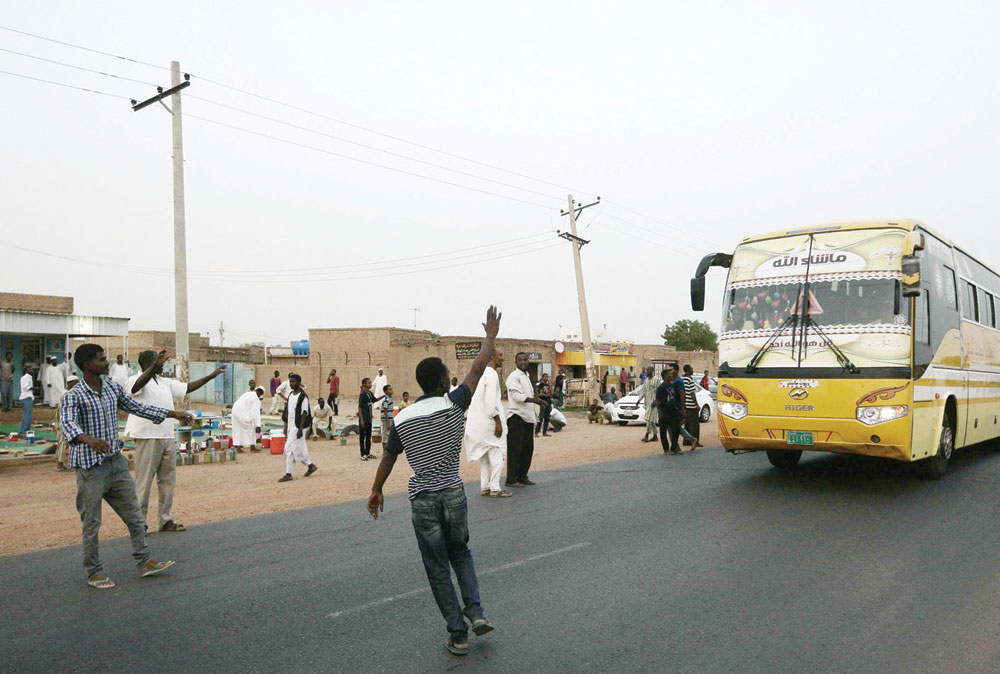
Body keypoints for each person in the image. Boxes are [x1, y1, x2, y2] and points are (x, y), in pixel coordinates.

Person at [367, 306, 501, 656]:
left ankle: (458, 635)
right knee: (462, 555)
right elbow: (477, 367)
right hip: (454, 495)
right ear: (442, 381)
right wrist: (489, 336)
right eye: (446, 373)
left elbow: (388, 456)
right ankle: (476, 613)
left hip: (423, 501)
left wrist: (376, 490)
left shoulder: (403, 417)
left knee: (438, 569)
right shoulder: (454, 404)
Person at [60, 344, 190, 589]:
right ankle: (94, 571)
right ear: (88, 365)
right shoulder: (74, 395)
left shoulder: (111, 388)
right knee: (92, 523)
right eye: (101, 359)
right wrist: (88, 439)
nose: (106, 362)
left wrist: (174, 414)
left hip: (116, 465)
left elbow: (138, 407)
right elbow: (67, 425)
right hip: (91, 469)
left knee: (134, 516)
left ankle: (144, 561)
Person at [126, 349, 227, 533]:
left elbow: (187, 387)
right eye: (159, 362)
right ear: (150, 363)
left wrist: (212, 376)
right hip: (147, 436)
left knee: (167, 481)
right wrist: (155, 365)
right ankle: (139, 523)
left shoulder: (164, 382)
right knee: (144, 483)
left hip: (166, 435)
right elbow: (135, 388)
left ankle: (165, 520)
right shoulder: (135, 379)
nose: (163, 365)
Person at [466, 347, 510, 498]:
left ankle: (484, 486)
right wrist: (498, 422)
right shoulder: (491, 374)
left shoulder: (479, 374)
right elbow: (491, 403)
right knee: (498, 454)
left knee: (484, 457)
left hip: (477, 424)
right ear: (492, 357)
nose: (502, 359)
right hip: (489, 422)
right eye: (500, 355)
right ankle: (495, 487)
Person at [505, 352, 547, 488]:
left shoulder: (526, 376)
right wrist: (534, 400)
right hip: (517, 417)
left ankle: (522, 476)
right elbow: (517, 396)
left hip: (528, 418)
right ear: (515, 362)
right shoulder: (513, 377)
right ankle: (511, 479)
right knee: (515, 450)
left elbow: (527, 395)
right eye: (520, 360)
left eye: (525, 359)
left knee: (527, 449)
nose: (523, 362)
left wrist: (535, 400)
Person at [278, 373, 318, 482]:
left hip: (298, 427)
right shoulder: (291, 394)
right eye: (290, 381)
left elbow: (304, 413)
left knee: (290, 449)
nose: (291, 384)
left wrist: (300, 429)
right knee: (299, 449)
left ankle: (288, 473)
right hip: (291, 426)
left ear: (299, 383)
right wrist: (285, 426)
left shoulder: (303, 396)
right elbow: (288, 412)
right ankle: (311, 466)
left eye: (293, 382)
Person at [656, 365, 700, 454]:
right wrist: (660, 412)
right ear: (665, 377)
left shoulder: (673, 385)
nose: (671, 375)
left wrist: (680, 408)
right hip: (665, 412)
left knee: (675, 429)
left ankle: (674, 447)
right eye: (669, 374)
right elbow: (657, 401)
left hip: (673, 411)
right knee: (664, 431)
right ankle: (667, 449)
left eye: (671, 372)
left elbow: (679, 396)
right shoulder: (661, 387)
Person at [357, 377, 385, 461]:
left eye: (370, 382)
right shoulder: (363, 394)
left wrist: (384, 395)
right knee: (362, 437)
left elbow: (374, 400)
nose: (370, 384)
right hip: (364, 419)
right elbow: (360, 407)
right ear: (364, 384)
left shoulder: (370, 393)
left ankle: (368, 453)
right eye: (369, 383)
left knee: (368, 436)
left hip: (369, 419)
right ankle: (363, 454)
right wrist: (361, 419)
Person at [55, 375, 80, 471]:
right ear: (70, 383)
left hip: (67, 420)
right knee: (64, 442)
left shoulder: (69, 393)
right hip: (65, 421)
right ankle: (60, 464)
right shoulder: (66, 394)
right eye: (75, 382)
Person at [231, 387, 264, 452]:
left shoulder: (248, 393)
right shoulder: (256, 398)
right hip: (241, 412)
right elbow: (256, 413)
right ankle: (252, 447)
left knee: (237, 429)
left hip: (235, 411)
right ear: (260, 394)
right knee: (252, 427)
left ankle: (237, 448)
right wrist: (258, 425)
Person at [639, 366, 661, 443]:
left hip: (654, 403)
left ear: (652, 371)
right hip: (648, 402)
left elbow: (659, 391)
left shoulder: (656, 380)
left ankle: (647, 434)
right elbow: (643, 391)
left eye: (649, 370)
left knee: (648, 418)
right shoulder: (646, 381)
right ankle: (655, 435)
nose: (647, 371)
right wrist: (639, 400)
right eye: (647, 370)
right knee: (650, 419)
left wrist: (656, 400)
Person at [682, 364, 701, 446]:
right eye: (692, 369)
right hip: (691, 405)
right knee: (694, 425)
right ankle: (695, 441)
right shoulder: (689, 379)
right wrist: (696, 404)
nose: (693, 370)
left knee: (687, 424)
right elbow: (692, 392)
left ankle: (686, 441)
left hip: (685, 405)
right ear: (689, 370)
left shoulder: (682, 378)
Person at [19, 365, 34, 435]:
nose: (31, 371)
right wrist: (30, 387)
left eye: (31, 369)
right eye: (29, 369)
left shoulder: (30, 377)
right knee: (27, 414)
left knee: (29, 415)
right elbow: (24, 387)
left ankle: (27, 429)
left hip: (29, 396)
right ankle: (23, 430)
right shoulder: (24, 378)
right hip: (25, 397)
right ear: (26, 370)